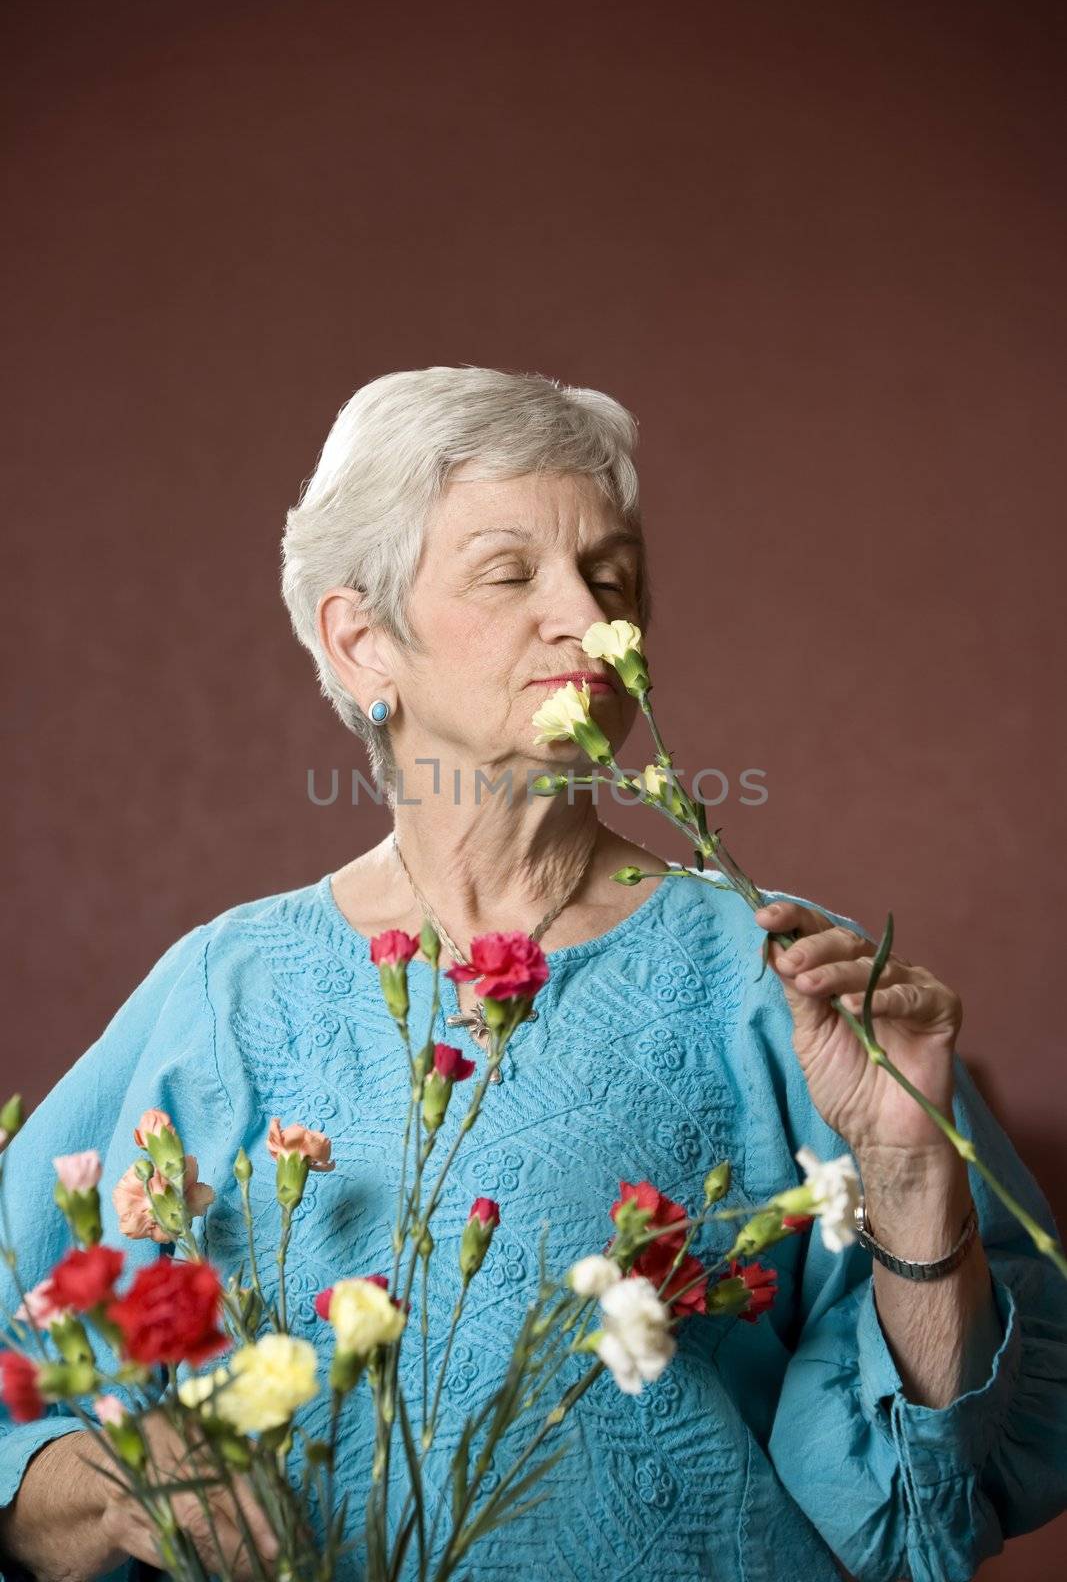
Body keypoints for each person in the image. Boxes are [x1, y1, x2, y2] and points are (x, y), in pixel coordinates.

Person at [2, 365, 1065, 1582]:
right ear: (361, 644)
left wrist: (910, 1168)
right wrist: (93, 1484)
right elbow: (23, 1370)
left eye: (608, 577)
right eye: (511, 574)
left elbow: (919, 1511)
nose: (581, 613)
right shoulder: (230, 992)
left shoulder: (781, 975)